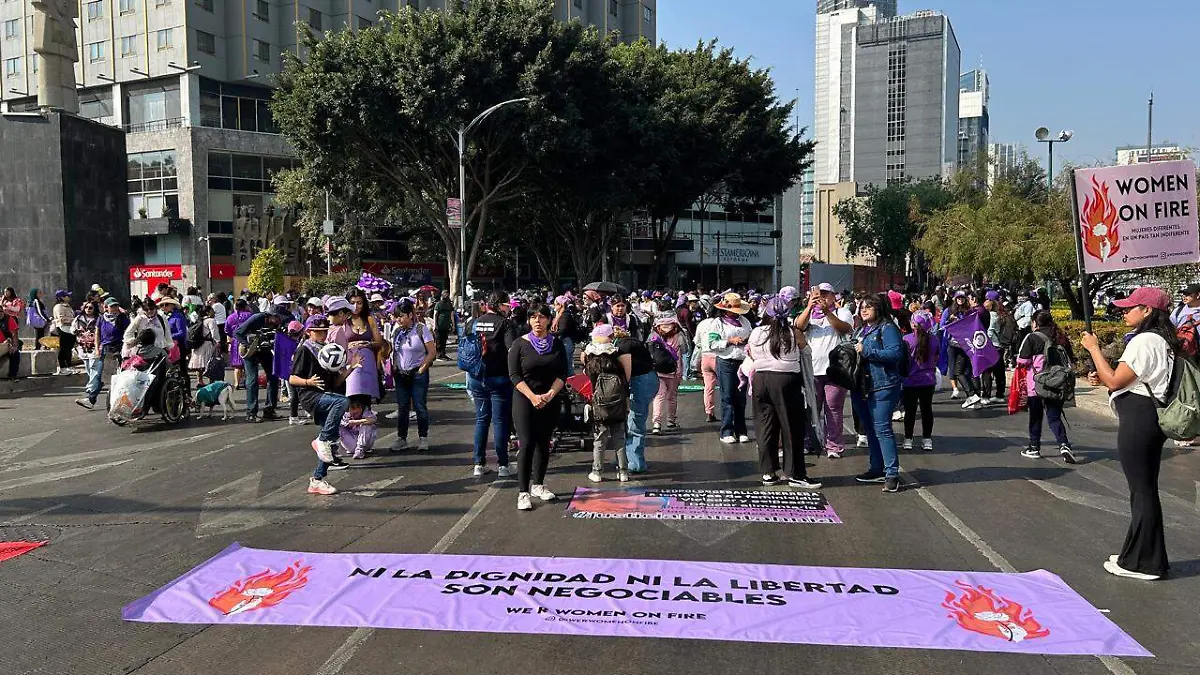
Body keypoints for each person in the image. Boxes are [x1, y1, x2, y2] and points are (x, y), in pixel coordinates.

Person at [1082, 287, 1177, 581]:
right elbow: (1123, 380)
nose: (1125, 312)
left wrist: (1094, 349)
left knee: (1142, 491)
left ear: (1147, 311)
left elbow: (1114, 379)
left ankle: (1144, 563)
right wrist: (1107, 377)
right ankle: (1138, 555)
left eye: (1131, 307)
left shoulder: (1144, 340)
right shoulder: (1162, 341)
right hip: (1148, 416)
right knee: (1144, 490)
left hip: (1139, 418)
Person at [746, 297, 820, 489]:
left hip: (761, 380)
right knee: (791, 427)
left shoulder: (756, 333)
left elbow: (753, 355)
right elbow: (806, 351)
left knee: (765, 427)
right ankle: (795, 473)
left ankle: (768, 473)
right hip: (786, 380)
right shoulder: (793, 333)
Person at [288, 316, 361, 496]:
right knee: (342, 403)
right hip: (311, 396)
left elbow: (335, 381)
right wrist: (308, 381)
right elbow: (291, 378)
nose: (322, 335)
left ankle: (317, 480)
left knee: (330, 442)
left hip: (327, 396)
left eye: (324, 331)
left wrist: (351, 367)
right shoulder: (305, 350)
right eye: (318, 332)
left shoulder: (328, 351)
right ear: (308, 332)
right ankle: (321, 441)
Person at [509, 303, 569, 511]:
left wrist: (551, 394)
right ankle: (523, 492)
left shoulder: (557, 344)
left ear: (549, 320)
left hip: (549, 398)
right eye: (533, 317)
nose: (537, 320)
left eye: (542, 317)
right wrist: (533, 397)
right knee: (526, 443)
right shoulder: (519, 344)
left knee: (544, 443)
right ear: (528, 320)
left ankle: (539, 485)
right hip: (524, 399)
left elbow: (563, 373)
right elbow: (514, 375)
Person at [851, 294, 905, 493]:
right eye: (862, 306)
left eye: (869, 307)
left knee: (882, 429)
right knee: (871, 429)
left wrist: (867, 351)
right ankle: (877, 468)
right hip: (863, 386)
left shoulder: (888, 328)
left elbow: (895, 354)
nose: (864, 310)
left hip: (883, 385)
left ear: (879, 308)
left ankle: (892, 474)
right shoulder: (862, 329)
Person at [794, 283, 854, 458]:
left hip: (835, 370)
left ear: (833, 296)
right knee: (811, 408)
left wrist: (827, 311)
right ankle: (809, 442)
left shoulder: (842, 312)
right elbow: (798, 326)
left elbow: (844, 329)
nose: (822, 297)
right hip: (812, 369)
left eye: (826, 294)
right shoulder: (809, 313)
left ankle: (833, 446)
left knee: (833, 408)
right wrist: (809, 307)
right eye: (819, 294)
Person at [462, 291, 518, 476]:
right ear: (501, 305)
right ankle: (503, 465)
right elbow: (512, 349)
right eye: (507, 304)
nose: (509, 308)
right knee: (500, 421)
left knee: (481, 419)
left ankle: (479, 463)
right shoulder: (505, 323)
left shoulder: (473, 322)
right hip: (499, 377)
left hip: (476, 376)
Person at [1016, 310, 1076, 463]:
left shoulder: (1032, 338)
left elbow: (1022, 361)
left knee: (1035, 417)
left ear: (1035, 322)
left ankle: (1034, 447)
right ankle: (1064, 444)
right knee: (1054, 417)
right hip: (1057, 383)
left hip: (1036, 385)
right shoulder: (1060, 336)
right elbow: (1071, 360)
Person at [581, 323, 631, 483]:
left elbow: (587, 384)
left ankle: (597, 471)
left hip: (599, 405)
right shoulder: (618, 356)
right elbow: (625, 380)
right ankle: (623, 472)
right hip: (618, 404)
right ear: (611, 337)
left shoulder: (590, 358)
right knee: (619, 439)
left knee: (599, 440)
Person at [390, 298, 436, 454]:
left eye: (401, 316)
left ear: (410, 315)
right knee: (402, 407)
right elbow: (394, 352)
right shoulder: (397, 332)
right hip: (401, 374)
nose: (398, 319)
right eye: (397, 316)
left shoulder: (421, 329)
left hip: (417, 373)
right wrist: (395, 367)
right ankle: (401, 438)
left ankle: (423, 437)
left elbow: (432, 352)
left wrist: (422, 368)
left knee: (419, 406)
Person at [708, 292, 753, 444]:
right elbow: (712, 344)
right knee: (727, 397)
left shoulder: (745, 321)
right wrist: (729, 341)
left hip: (743, 362)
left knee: (741, 397)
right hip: (726, 361)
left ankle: (741, 430)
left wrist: (746, 342)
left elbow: (752, 338)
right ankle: (727, 430)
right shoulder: (717, 323)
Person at [234, 306, 283, 422]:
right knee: (252, 379)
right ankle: (251, 413)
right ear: (270, 315)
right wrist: (246, 344)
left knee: (274, 376)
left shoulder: (278, 324)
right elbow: (237, 333)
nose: (278, 321)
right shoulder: (257, 318)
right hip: (251, 350)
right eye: (276, 318)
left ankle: (269, 409)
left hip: (265, 350)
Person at [901, 311, 940, 451]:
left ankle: (908, 439)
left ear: (913, 324)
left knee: (910, 412)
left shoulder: (906, 339)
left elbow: (902, 360)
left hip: (910, 381)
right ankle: (927, 439)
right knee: (927, 410)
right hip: (928, 380)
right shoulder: (934, 340)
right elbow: (936, 357)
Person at [944, 291, 983, 408]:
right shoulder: (949, 310)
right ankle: (973, 395)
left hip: (965, 344)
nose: (960, 300)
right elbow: (942, 326)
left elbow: (973, 325)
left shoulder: (969, 311)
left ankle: (973, 395)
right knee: (961, 370)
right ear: (955, 299)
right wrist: (949, 321)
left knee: (961, 371)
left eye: (963, 298)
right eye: (958, 297)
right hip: (954, 343)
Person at [650, 314, 685, 434]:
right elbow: (685, 350)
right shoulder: (678, 335)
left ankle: (656, 423)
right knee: (672, 396)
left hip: (657, 370)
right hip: (674, 370)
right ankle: (671, 420)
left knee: (658, 397)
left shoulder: (654, 335)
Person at [71, 302, 100, 409]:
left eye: (91, 308)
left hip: (94, 348)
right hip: (83, 348)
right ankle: (95, 385)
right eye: (86, 307)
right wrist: (76, 331)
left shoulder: (98, 319)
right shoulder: (79, 318)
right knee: (88, 369)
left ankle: (91, 391)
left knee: (94, 368)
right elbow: (72, 328)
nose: (88, 309)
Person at [225, 299, 253, 390]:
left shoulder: (230, 317)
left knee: (237, 365)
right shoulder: (249, 315)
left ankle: (236, 383)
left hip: (235, 341)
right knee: (248, 363)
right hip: (247, 341)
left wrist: (232, 336)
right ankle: (247, 382)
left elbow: (227, 330)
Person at [51, 290, 76, 375]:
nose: (68, 297)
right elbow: (62, 319)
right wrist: (74, 320)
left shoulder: (68, 306)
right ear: (62, 297)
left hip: (70, 329)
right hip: (63, 329)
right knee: (63, 348)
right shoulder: (59, 307)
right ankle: (62, 367)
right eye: (66, 296)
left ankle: (69, 366)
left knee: (69, 349)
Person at [434, 290, 455, 361]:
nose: (446, 296)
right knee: (439, 340)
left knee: (444, 340)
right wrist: (435, 325)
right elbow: (435, 314)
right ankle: (438, 355)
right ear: (442, 295)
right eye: (445, 294)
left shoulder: (449, 304)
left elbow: (452, 315)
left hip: (446, 325)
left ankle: (443, 354)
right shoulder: (438, 304)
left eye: (447, 294)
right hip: (439, 325)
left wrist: (453, 325)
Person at [1, 310, 20, 380]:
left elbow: (14, 334)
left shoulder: (9, 319)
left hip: (8, 345)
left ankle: (12, 375)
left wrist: (15, 346)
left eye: (0, 311)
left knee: (15, 354)